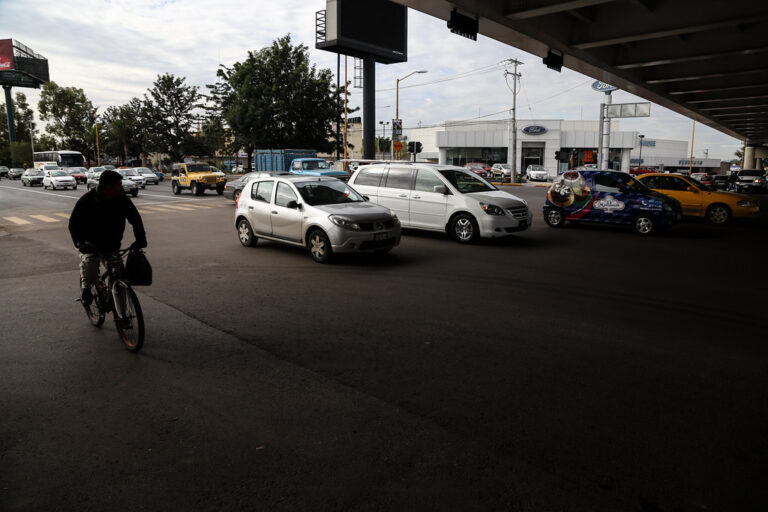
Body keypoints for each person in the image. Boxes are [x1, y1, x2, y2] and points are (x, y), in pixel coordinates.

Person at [68, 170, 147, 305]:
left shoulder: (122, 200)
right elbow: (73, 223)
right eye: (119, 184)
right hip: (91, 246)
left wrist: (141, 240)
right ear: (108, 187)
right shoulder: (87, 200)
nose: (122, 187)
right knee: (89, 264)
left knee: (119, 276)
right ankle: (85, 289)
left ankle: (123, 315)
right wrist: (79, 243)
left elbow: (135, 220)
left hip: (112, 244)